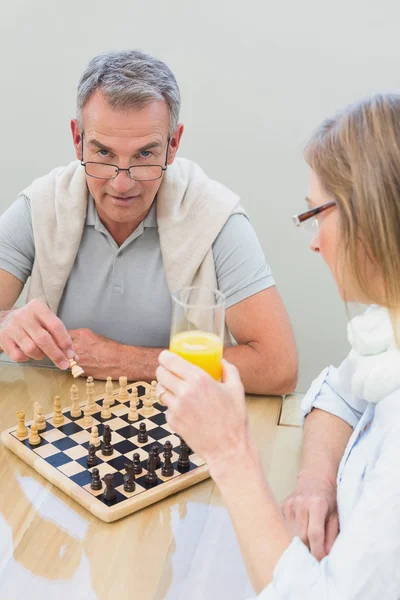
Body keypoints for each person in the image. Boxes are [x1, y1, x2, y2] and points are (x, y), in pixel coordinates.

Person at [156, 93, 400, 598]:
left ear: (372, 216)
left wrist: (230, 451)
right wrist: (316, 480)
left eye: (317, 215)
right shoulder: (388, 330)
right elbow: (341, 392)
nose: (314, 242)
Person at [0, 50, 297, 391]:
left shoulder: (216, 216)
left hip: (175, 429)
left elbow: (278, 367)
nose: (122, 183)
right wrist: (6, 323)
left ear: (173, 145)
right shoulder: (40, 205)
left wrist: (123, 360)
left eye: (144, 155)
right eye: (103, 153)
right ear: (77, 140)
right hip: (50, 428)